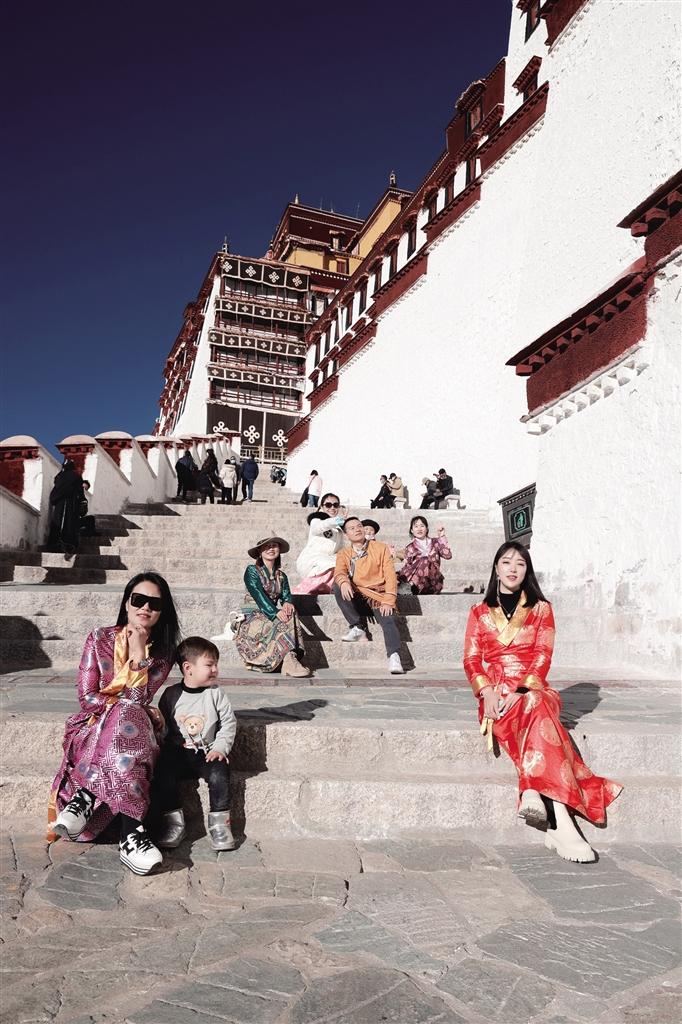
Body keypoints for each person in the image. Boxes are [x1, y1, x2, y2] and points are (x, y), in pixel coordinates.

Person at [463, 542, 623, 863]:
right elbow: (471, 660)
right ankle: (558, 817)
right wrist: (487, 692)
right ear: (496, 568)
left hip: (533, 688)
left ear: (527, 571)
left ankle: (536, 795)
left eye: (520, 564)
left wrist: (522, 690)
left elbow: (542, 655)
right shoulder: (479, 612)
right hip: (495, 693)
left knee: (535, 702)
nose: (513, 568)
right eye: (506, 562)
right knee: (535, 710)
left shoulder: (541, 609)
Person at [47, 572, 180, 876]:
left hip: (133, 728)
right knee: (126, 711)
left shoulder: (163, 654)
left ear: (162, 612)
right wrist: (125, 705)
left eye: (155, 604)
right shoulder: (99, 638)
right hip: (92, 727)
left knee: (128, 712)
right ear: (126, 602)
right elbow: (86, 698)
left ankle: (85, 796)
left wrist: (139, 655)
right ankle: (131, 835)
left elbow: (137, 698)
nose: (145, 608)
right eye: (139, 600)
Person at [153, 637, 237, 852]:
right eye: (209, 665)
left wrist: (220, 748)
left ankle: (220, 824)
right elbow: (164, 726)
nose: (215, 669)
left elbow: (228, 723)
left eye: (216, 664)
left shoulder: (216, 694)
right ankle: (174, 822)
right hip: (178, 752)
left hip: (207, 752)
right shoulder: (171, 695)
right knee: (163, 772)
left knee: (219, 774)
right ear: (188, 668)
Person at [333, 517, 405, 675]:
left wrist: (389, 599)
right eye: (352, 528)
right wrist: (343, 582)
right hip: (357, 597)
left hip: (378, 596)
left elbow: (390, 575)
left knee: (388, 620)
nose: (357, 529)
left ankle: (394, 656)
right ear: (346, 534)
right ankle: (357, 626)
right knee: (338, 585)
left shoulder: (380, 548)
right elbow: (339, 572)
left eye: (359, 526)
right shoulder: (344, 553)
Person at [232, 535, 310, 676]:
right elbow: (258, 595)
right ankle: (288, 660)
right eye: (266, 546)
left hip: (271, 613)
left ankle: (290, 658)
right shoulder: (252, 570)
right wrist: (274, 613)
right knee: (280, 623)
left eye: (274, 546)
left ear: (279, 550)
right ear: (259, 552)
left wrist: (287, 603)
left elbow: (286, 595)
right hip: (254, 615)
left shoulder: (282, 576)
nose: (271, 548)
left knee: (291, 612)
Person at [294, 510, 346, 594]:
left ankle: (327, 588)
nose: (332, 508)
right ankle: (304, 588)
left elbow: (339, 550)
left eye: (335, 505)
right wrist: (335, 520)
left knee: (340, 566)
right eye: (328, 505)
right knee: (330, 565)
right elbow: (320, 526)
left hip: (327, 560)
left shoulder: (337, 531)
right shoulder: (316, 522)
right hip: (312, 560)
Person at [398, 516, 452, 595]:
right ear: (412, 530)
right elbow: (408, 567)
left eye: (422, 526)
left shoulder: (435, 542)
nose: (419, 529)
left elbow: (448, 555)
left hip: (432, 584)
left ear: (427, 529)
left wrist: (442, 537)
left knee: (425, 559)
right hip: (415, 587)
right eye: (416, 526)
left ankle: (409, 586)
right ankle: (409, 586)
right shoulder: (410, 547)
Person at [46, 459, 85, 555]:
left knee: (57, 522)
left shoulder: (59, 477)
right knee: (68, 523)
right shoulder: (76, 477)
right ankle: (68, 544)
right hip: (71, 504)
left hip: (59, 504)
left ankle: (54, 543)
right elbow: (80, 493)